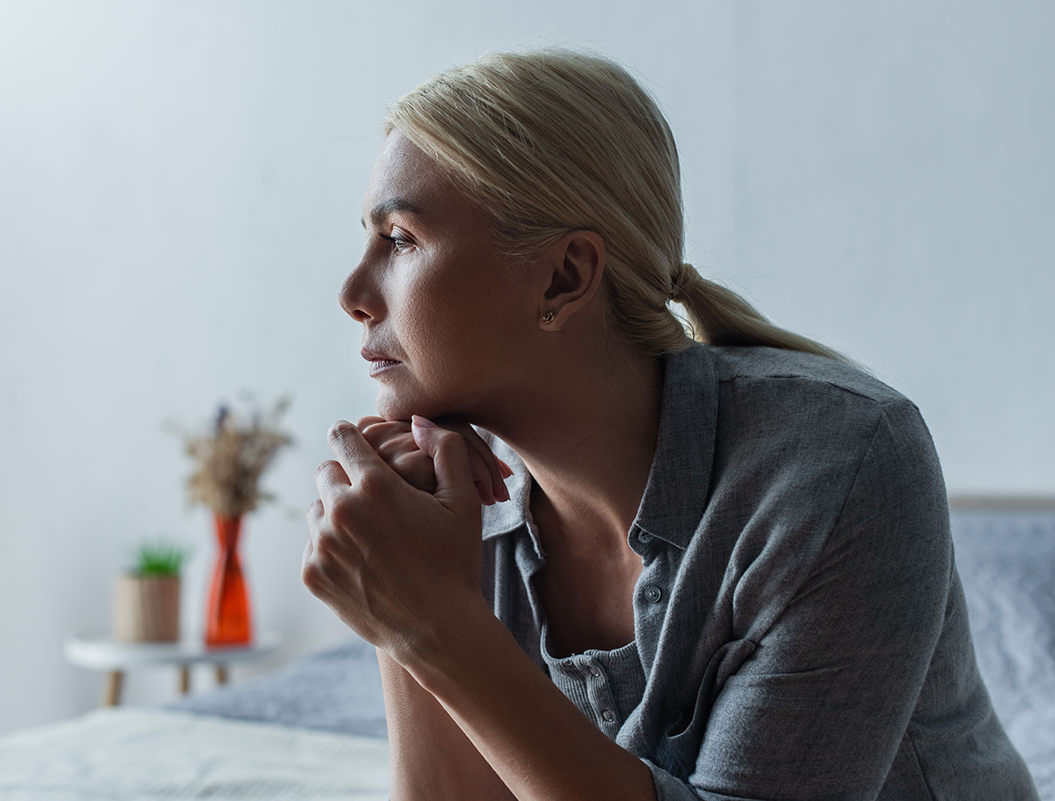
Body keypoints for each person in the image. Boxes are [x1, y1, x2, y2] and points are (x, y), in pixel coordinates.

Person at [301, 48, 1039, 800]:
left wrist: (433, 624)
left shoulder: (842, 466)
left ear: (563, 277)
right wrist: (403, 598)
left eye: (400, 239)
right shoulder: (449, 501)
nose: (352, 291)